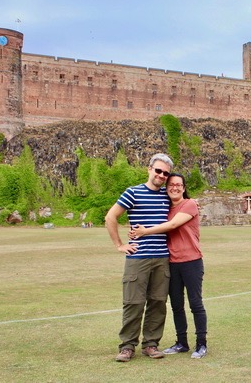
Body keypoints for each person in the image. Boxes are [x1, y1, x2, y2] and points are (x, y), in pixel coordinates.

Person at [129, 173, 208, 359]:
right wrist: (135, 228)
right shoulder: (165, 207)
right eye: (171, 185)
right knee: (177, 305)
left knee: (195, 304)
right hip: (172, 262)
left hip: (191, 261)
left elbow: (172, 225)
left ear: (184, 187)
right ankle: (182, 343)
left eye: (179, 185)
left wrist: (144, 232)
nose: (175, 187)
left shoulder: (189, 204)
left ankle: (201, 344)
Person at [105, 153, 174, 362]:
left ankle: (151, 344)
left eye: (165, 173)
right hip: (138, 258)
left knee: (158, 302)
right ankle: (127, 346)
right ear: (149, 169)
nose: (161, 175)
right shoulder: (132, 192)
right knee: (133, 303)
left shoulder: (166, 196)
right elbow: (111, 216)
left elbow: (181, 208)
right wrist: (119, 245)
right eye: (158, 171)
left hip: (162, 258)